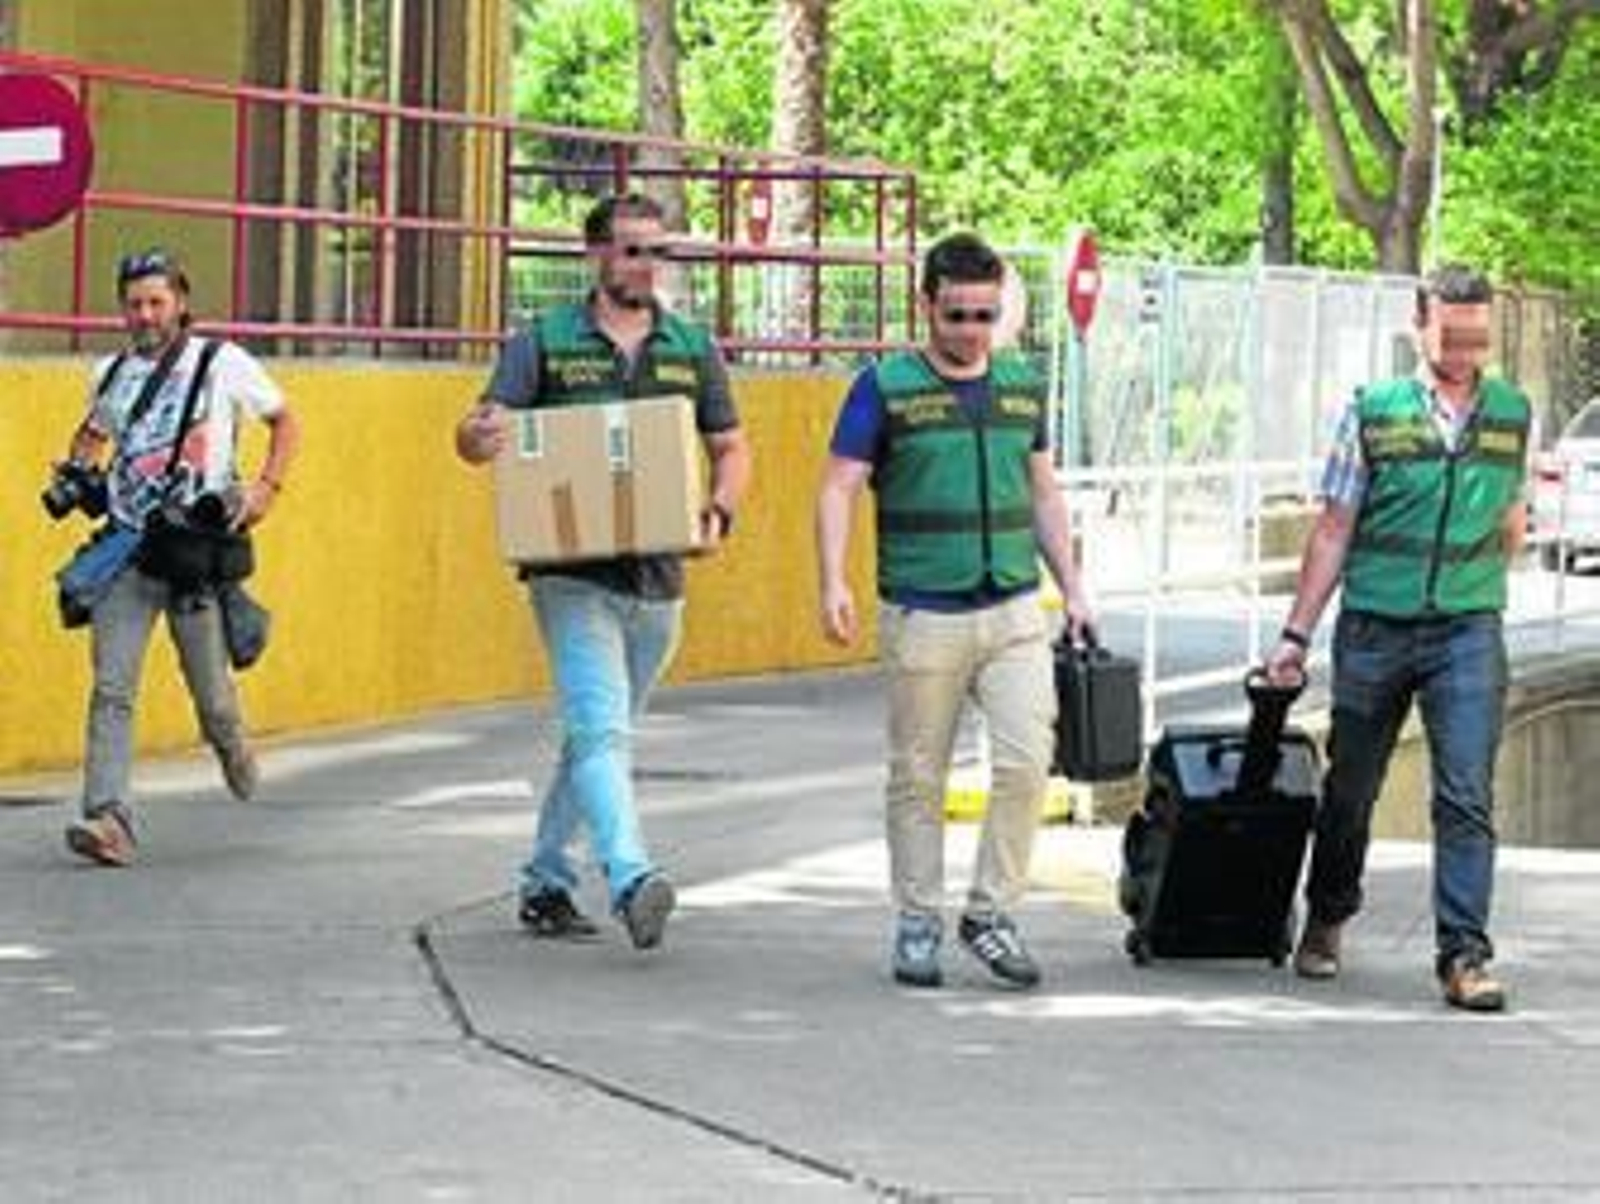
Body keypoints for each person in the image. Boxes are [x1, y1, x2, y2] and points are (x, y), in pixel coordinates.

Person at [455, 192, 752, 952]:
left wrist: (721, 508)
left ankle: (547, 880)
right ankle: (631, 877)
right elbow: (479, 430)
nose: (645, 264)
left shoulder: (692, 346)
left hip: (660, 580)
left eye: (656, 250)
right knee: (600, 732)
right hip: (571, 574)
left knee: (596, 740)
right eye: (629, 249)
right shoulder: (545, 342)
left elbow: (731, 445)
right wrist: (478, 434)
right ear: (595, 255)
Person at [815, 233, 1094, 990]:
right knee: (917, 775)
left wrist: (1072, 586)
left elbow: (1042, 490)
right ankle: (916, 919)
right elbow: (840, 484)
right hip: (922, 611)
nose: (971, 331)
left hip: (1011, 608)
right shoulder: (886, 388)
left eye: (985, 315)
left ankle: (991, 913)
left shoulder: (1020, 386)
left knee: (1028, 761)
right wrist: (833, 579)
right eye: (957, 315)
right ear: (926, 305)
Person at [1267, 264, 1531, 1014]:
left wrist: (1474, 587)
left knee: (1466, 794)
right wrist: (1296, 636)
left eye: (1479, 332)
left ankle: (1464, 955)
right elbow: (1333, 529)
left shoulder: (1511, 411)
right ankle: (1328, 912)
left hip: (1467, 631)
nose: (1467, 348)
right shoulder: (1374, 411)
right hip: (1376, 626)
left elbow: (1510, 521)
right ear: (1421, 326)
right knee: (1352, 787)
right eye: (1454, 332)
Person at [58, 248, 300, 867]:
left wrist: (265, 488)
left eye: (156, 302)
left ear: (181, 303)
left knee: (213, 698)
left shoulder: (220, 363)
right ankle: (109, 817)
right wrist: (79, 469)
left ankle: (231, 743)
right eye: (134, 303)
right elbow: (95, 433)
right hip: (128, 550)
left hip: (193, 554)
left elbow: (283, 421)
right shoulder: (111, 375)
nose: (144, 315)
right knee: (112, 687)